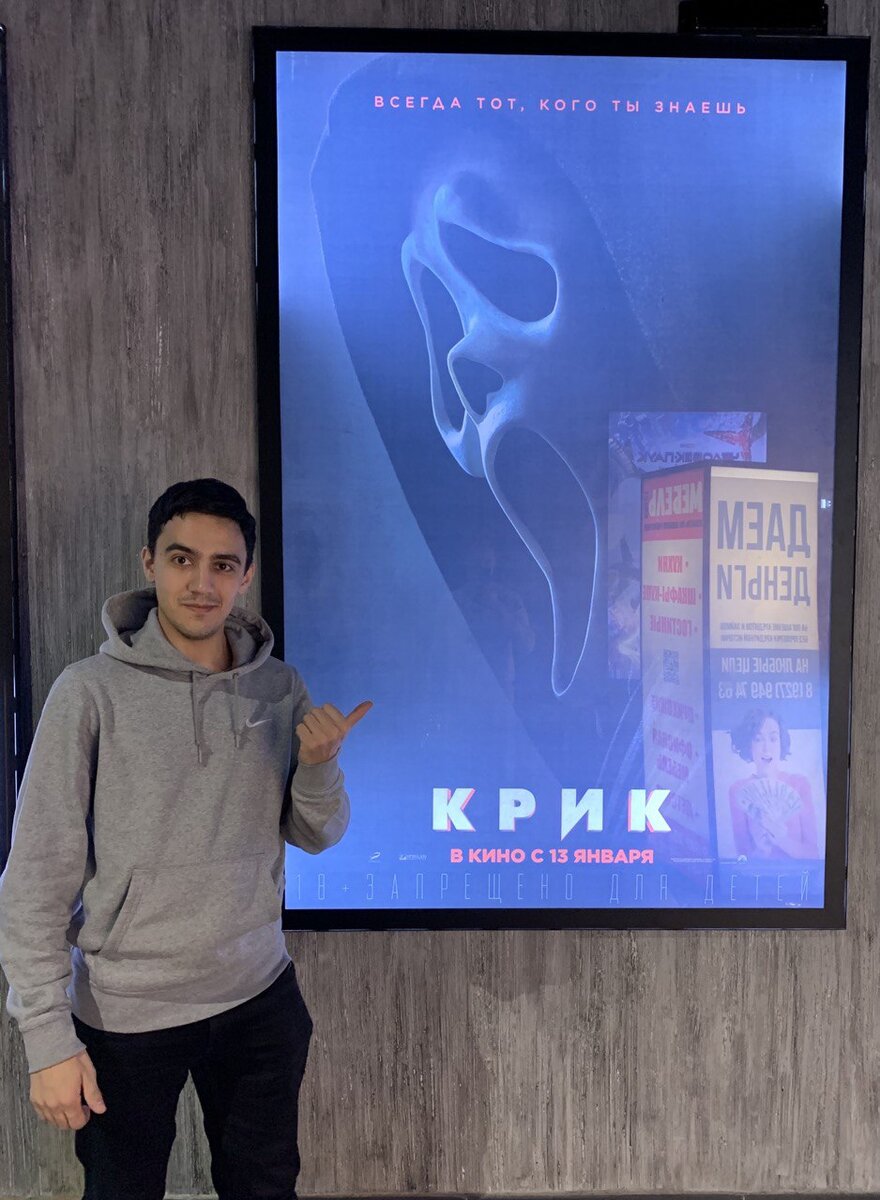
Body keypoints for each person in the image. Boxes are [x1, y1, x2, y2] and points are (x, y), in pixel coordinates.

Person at [0, 478, 371, 1200]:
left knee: (265, 1188)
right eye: (182, 559)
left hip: (259, 996)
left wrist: (320, 766)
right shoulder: (89, 691)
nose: (202, 583)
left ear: (245, 575)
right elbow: (37, 875)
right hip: (125, 1011)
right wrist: (46, 1037)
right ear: (150, 563)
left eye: (222, 565)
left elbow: (318, 833)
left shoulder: (278, 687)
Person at [727, 709, 819, 860]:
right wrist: (761, 850)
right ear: (749, 745)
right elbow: (742, 861)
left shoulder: (800, 784)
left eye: (773, 739)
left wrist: (782, 840)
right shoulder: (737, 790)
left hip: (797, 874)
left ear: (781, 743)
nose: (766, 748)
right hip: (757, 875)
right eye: (758, 739)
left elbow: (813, 855)